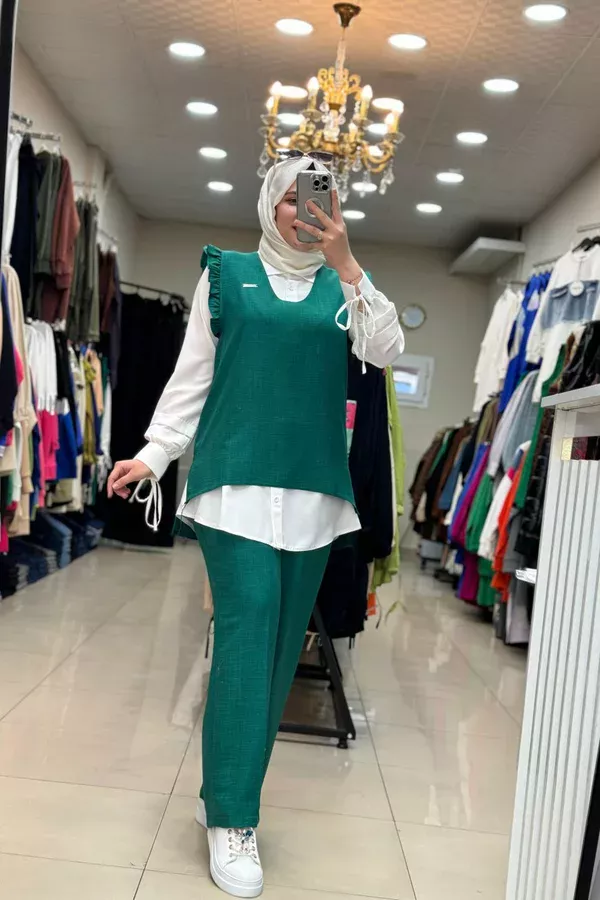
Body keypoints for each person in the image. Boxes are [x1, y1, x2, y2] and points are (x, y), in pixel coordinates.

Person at [107, 154, 404, 898]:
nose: (307, 211)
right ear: (271, 204)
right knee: (248, 631)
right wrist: (153, 454)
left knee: (277, 655)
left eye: (320, 200)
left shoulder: (342, 289)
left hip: (313, 495)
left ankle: (225, 794)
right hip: (232, 486)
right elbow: (193, 376)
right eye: (294, 199)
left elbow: (385, 350)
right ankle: (234, 821)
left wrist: (348, 263)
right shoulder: (227, 275)